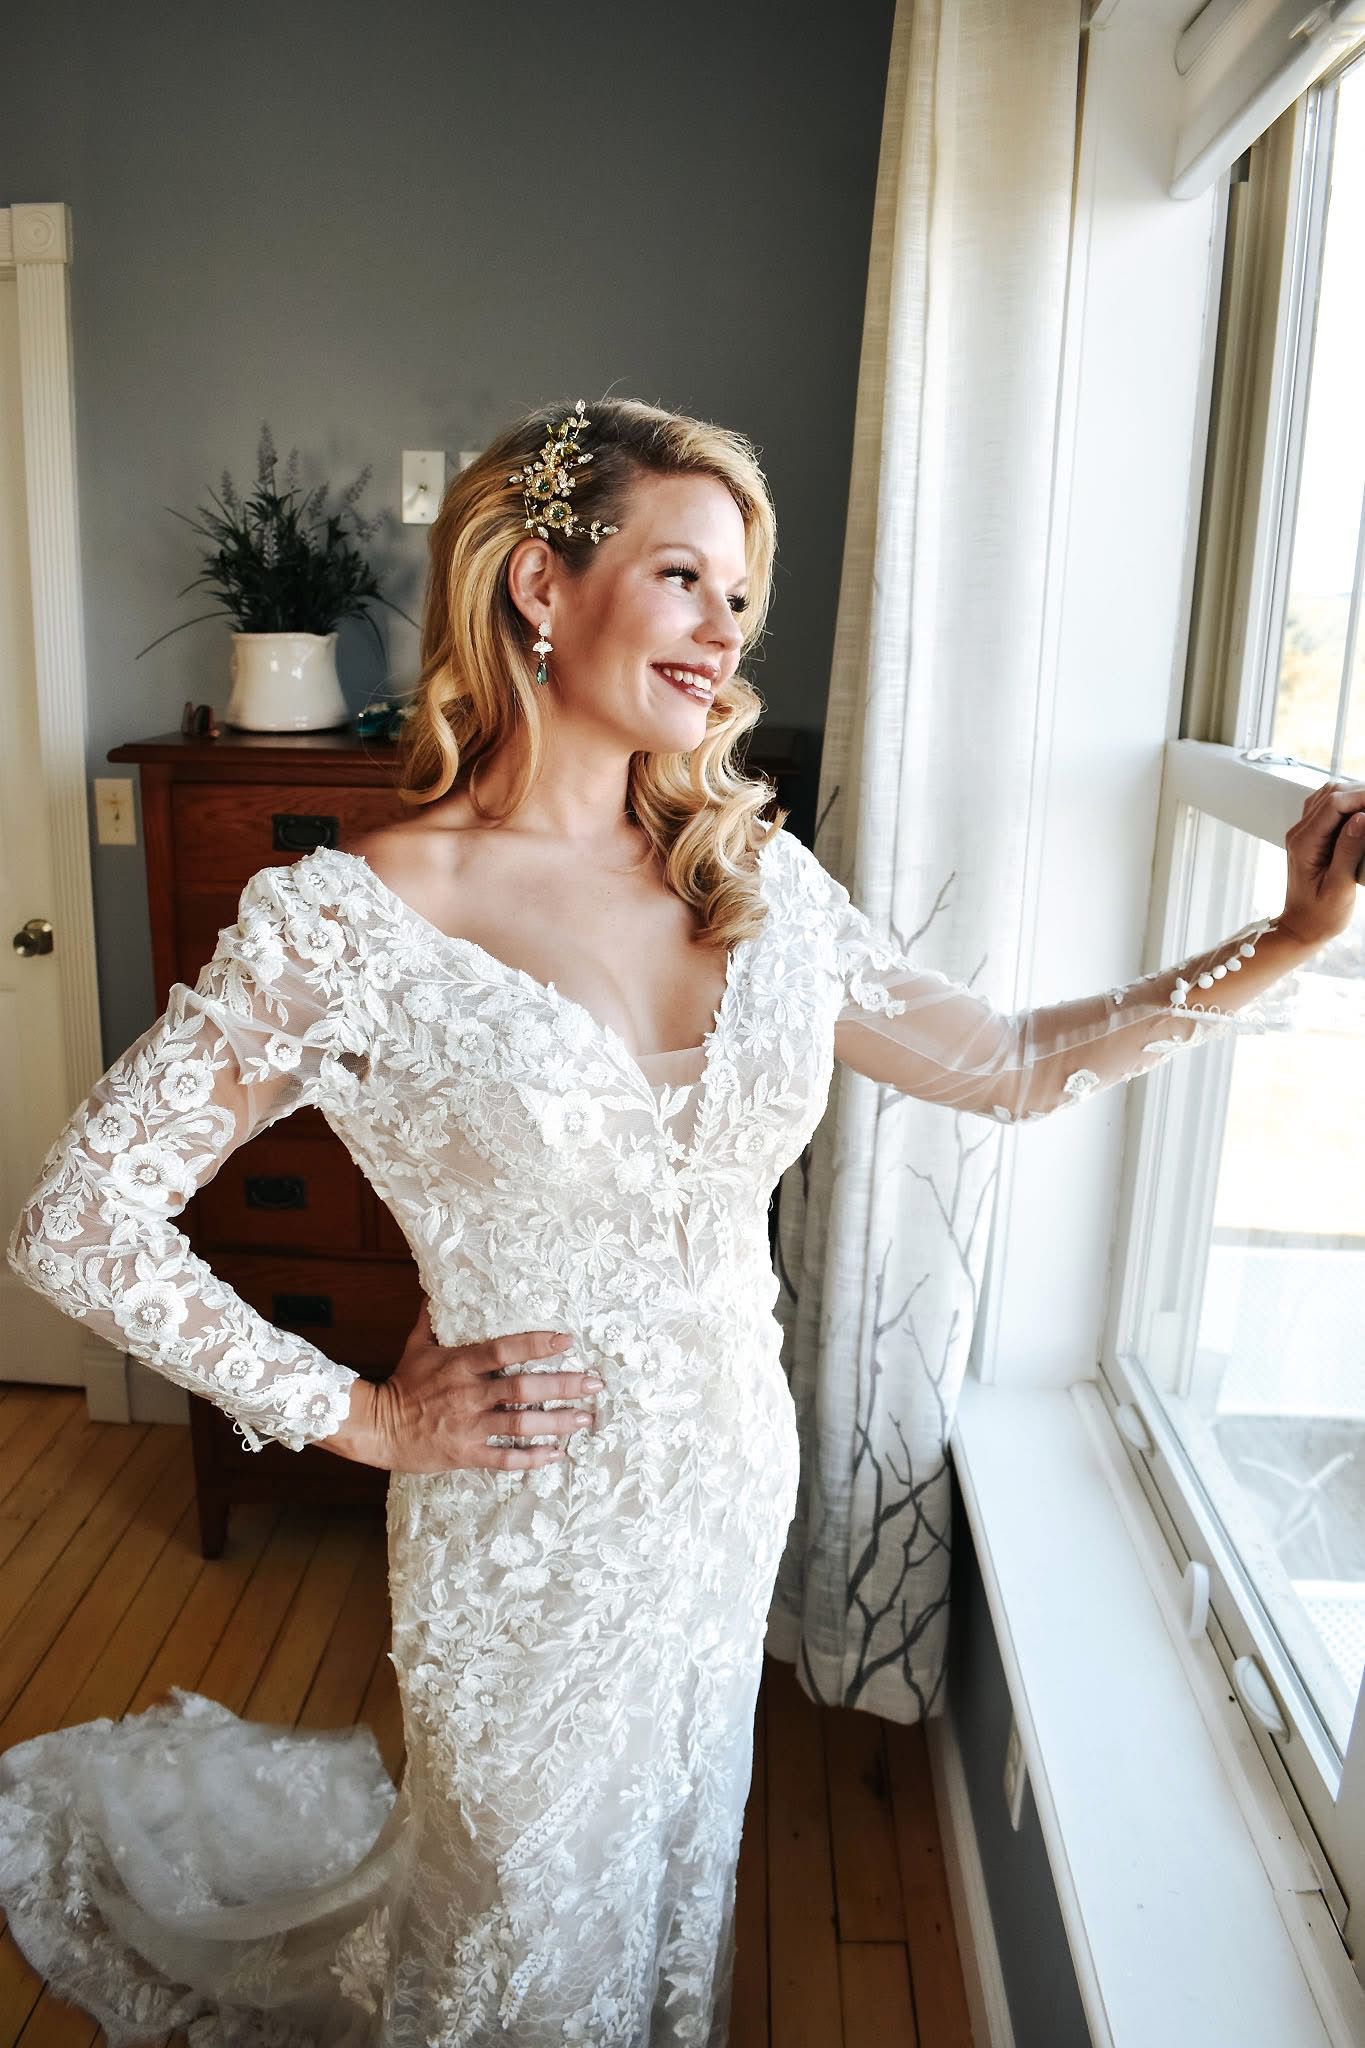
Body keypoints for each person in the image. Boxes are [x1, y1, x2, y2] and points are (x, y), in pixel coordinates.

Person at [1, 395, 1359, 2048]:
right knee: (507, 1887)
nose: (724, 631)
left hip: (723, 1476)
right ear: (539, 589)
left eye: (740, 597)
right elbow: (78, 1220)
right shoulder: (359, 920)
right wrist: (355, 1418)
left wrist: (1279, 945)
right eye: (682, 577)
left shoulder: (757, 882)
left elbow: (1000, 1067)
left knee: (664, 1857)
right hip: (523, 1512)